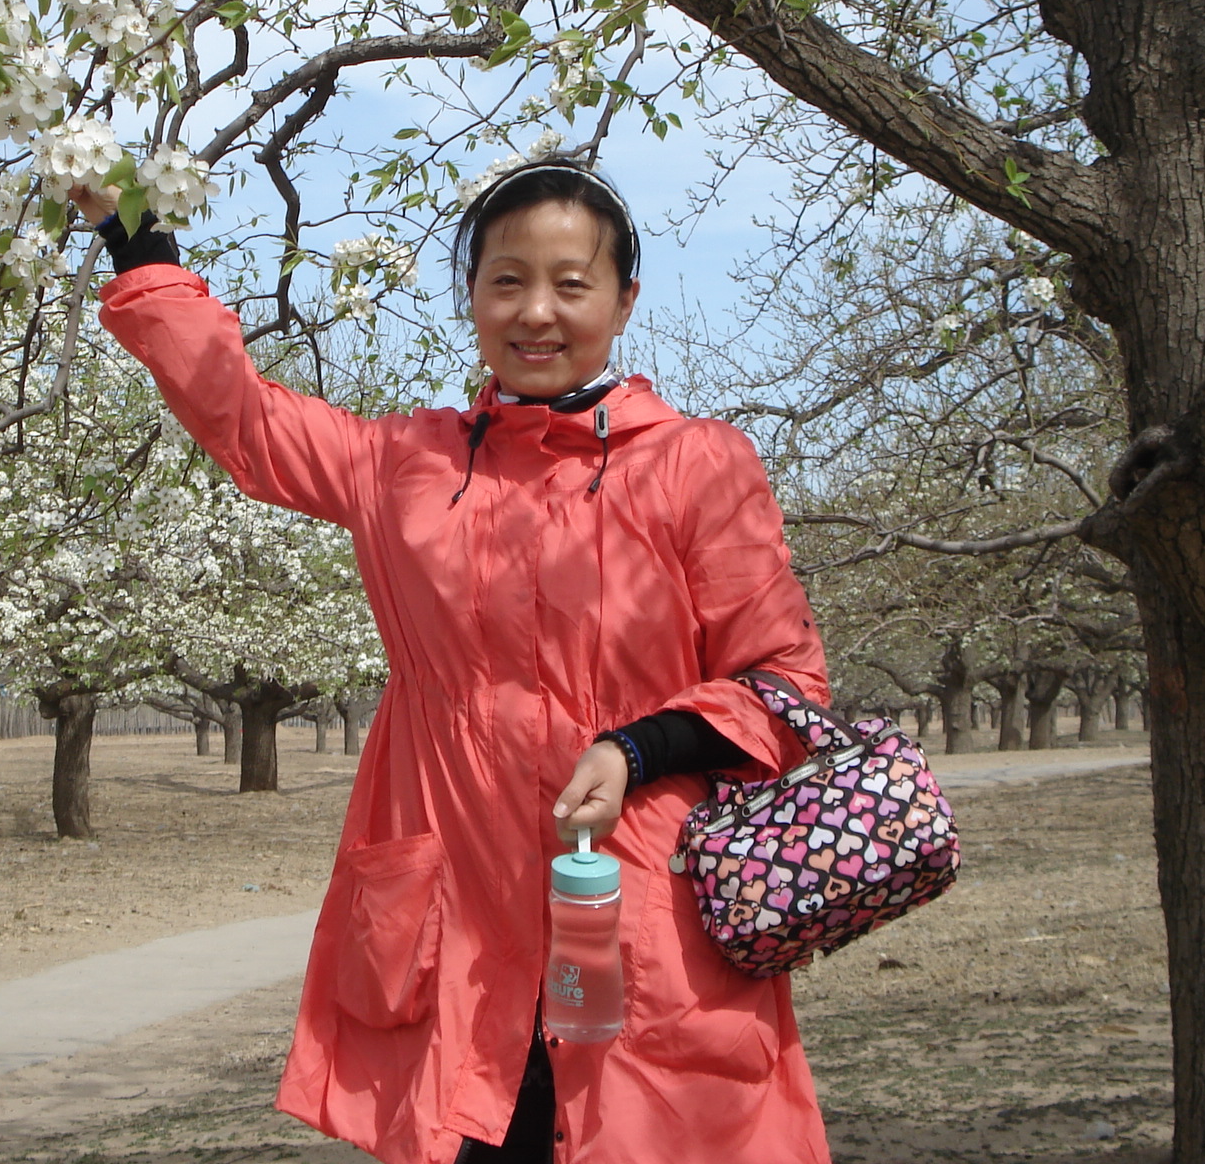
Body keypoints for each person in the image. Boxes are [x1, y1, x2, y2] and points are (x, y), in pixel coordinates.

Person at [74, 159, 831, 1164]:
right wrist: (139, 239)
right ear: (471, 296)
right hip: (459, 931)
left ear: (622, 300)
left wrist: (637, 750)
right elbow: (240, 416)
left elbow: (782, 685)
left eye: (571, 284)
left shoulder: (698, 465)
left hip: (642, 905)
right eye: (506, 281)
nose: (536, 312)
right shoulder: (401, 464)